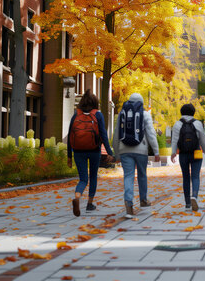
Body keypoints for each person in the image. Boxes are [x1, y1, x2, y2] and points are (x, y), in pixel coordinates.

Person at [67, 89, 113, 217]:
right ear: (95, 103)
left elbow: (70, 135)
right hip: (94, 151)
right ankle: (89, 204)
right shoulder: (97, 114)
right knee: (93, 177)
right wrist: (109, 152)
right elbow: (103, 135)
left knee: (83, 179)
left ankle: (77, 196)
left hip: (78, 151)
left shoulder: (76, 115)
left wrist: (69, 156)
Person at [113, 93, 159, 219]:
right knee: (142, 175)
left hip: (124, 149)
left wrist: (116, 153)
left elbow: (117, 133)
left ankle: (128, 203)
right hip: (141, 150)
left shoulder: (122, 113)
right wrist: (156, 151)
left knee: (128, 176)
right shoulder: (145, 114)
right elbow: (151, 133)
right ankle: (143, 200)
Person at [171, 104, 205, 211]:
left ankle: (187, 203)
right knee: (195, 176)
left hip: (183, 153)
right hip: (196, 152)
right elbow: (202, 140)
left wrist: (173, 153)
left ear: (181, 112)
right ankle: (194, 196)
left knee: (185, 177)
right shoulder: (197, 123)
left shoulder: (177, 124)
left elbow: (174, 140)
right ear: (193, 112)